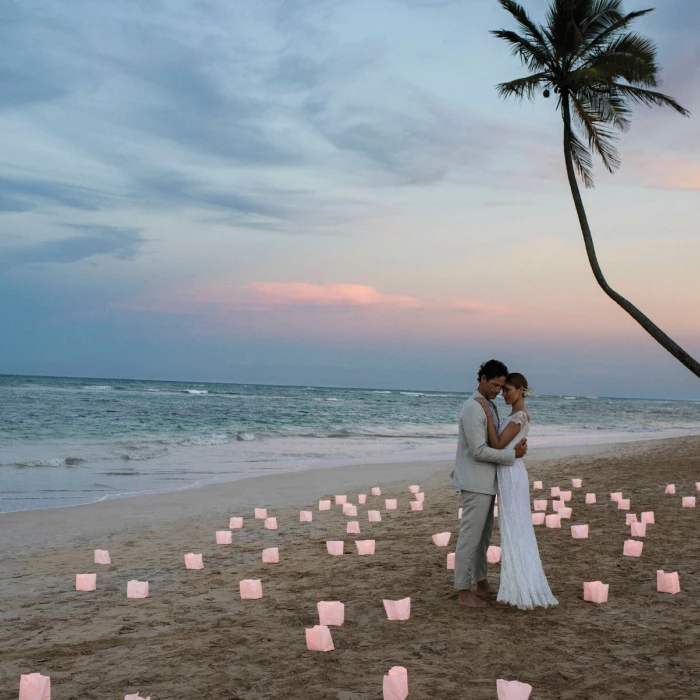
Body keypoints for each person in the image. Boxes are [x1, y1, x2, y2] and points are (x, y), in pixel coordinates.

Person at [474, 372, 558, 609]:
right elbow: (504, 445)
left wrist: (488, 416)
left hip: (511, 474)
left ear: (521, 390)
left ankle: (522, 584)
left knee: (516, 528)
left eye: (508, 390)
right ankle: (515, 582)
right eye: (502, 390)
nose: (504, 394)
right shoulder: (514, 415)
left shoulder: (519, 416)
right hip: (508, 471)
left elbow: (498, 445)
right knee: (513, 529)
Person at [452, 360, 527, 608]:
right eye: (494, 385)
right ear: (482, 379)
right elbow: (478, 451)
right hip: (475, 481)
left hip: (488, 481)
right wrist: (511, 456)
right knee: (470, 538)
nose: (497, 390)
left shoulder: (489, 406)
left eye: (502, 386)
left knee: (483, 538)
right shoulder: (474, 408)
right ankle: (463, 591)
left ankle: (481, 581)